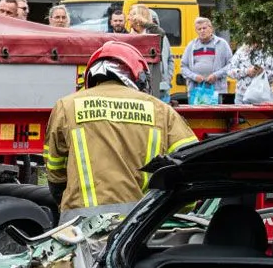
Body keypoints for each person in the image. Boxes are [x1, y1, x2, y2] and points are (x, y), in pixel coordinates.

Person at [43, 41, 197, 213]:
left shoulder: (67, 105)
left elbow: (55, 170)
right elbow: (190, 164)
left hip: (79, 225)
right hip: (138, 223)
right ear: (138, 76)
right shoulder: (161, 110)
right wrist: (181, 210)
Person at [179, 17, 233, 106]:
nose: (202, 31)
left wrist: (216, 75)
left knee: (215, 117)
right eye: (199, 29)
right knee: (196, 117)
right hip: (195, 90)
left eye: (204, 28)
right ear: (196, 31)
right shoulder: (191, 45)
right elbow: (183, 67)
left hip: (216, 90)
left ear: (211, 28)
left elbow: (231, 65)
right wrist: (194, 76)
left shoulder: (222, 44)